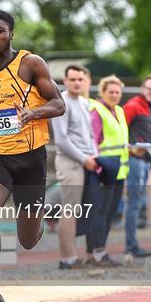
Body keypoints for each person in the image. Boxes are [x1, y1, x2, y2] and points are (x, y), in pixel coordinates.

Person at [0, 9, 65, 302]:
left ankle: (40, 217)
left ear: (11, 34)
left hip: (31, 158)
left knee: (27, 240)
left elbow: (59, 104)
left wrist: (32, 113)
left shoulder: (30, 64)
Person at [50, 64, 98, 270]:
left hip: (86, 161)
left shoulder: (83, 102)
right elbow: (61, 140)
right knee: (69, 209)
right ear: (65, 80)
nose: (77, 83)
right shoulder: (62, 102)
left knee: (77, 209)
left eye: (80, 79)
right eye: (73, 79)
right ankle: (67, 258)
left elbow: (88, 136)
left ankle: (74, 255)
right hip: (70, 162)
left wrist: (94, 156)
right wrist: (84, 158)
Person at [87, 75, 129, 267]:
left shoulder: (119, 111)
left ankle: (99, 251)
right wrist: (99, 166)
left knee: (111, 212)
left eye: (117, 91)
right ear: (102, 92)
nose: (114, 95)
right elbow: (93, 141)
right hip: (104, 169)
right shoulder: (97, 111)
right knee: (101, 212)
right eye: (110, 91)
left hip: (119, 171)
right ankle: (97, 253)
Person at [122, 74, 151, 258]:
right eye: (149, 88)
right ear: (142, 89)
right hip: (135, 161)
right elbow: (121, 128)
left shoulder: (149, 108)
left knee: (137, 203)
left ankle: (133, 243)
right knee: (134, 203)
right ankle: (131, 245)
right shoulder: (133, 105)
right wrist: (132, 147)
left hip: (146, 161)